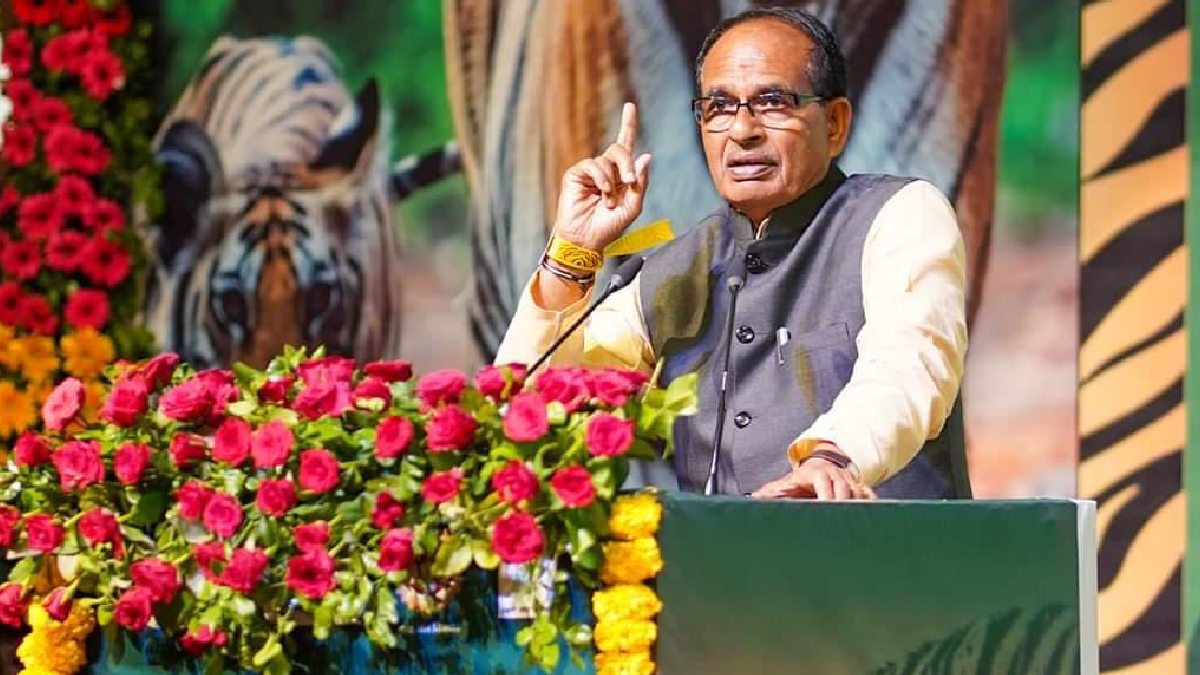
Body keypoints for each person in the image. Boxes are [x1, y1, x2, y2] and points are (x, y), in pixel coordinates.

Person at [495, 7, 969, 500]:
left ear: (834, 123)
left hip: (881, 545)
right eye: (719, 107)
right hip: (718, 550)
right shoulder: (677, 269)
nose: (742, 130)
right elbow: (534, 407)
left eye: (773, 102)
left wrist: (832, 458)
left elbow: (910, 366)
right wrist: (572, 251)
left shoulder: (897, 215)